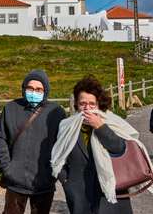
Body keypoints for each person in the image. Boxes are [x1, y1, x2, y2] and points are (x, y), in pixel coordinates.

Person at [51, 75, 142, 214]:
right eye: (82, 104)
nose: (87, 108)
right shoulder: (66, 126)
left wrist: (100, 127)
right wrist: (65, 180)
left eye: (92, 104)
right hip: (80, 195)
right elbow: (58, 154)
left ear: (99, 104)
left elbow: (120, 148)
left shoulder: (111, 122)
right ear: (76, 104)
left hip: (112, 194)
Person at [0, 69, 67, 214]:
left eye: (39, 89)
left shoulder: (56, 112)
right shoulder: (11, 108)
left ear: (45, 91)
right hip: (15, 181)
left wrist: (53, 171)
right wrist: (7, 167)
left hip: (44, 182)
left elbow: (63, 144)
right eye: (30, 88)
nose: (34, 92)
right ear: (24, 88)